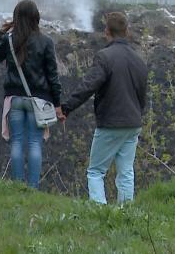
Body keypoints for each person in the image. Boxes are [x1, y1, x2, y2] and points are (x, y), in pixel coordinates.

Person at [60, 12, 148, 204]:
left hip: (111, 122)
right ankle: (126, 212)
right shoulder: (139, 60)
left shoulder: (104, 57)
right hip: (133, 123)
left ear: (106, 31)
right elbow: (142, 95)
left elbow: (88, 86)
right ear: (127, 31)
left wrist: (66, 108)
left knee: (96, 171)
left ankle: (99, 212)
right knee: (126, 172)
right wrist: (137, 114)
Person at [0, 0, 62, 188]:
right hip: (38, 101)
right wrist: (58, 103)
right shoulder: (45, 41)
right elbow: (52, 75)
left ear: (16, 18)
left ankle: (17, 185)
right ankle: (33, 188)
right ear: (36, 17)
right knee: (34, 144)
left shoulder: (9, 40)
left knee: (16, 143)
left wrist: (1, 33)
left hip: (14, 99)